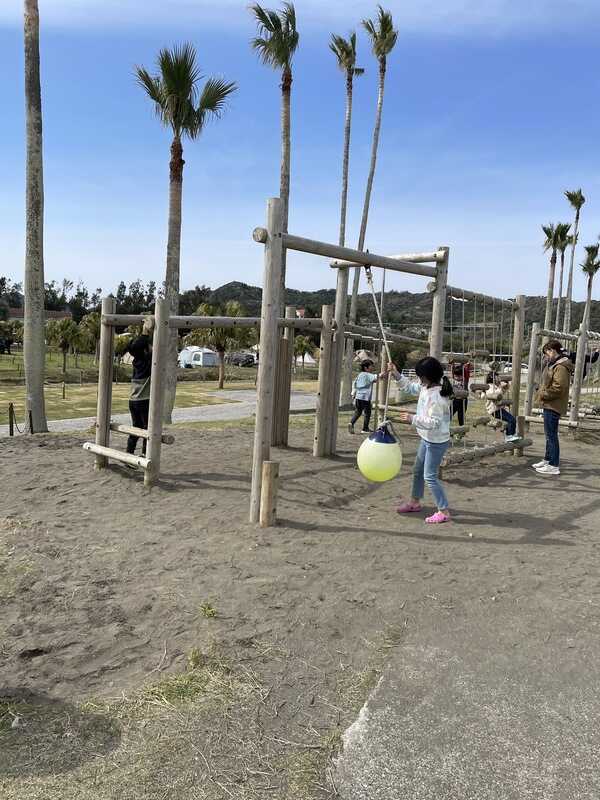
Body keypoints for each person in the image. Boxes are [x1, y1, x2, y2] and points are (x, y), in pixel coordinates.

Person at [389, 356, 453, 524]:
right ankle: (415, 502)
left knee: (429, 476)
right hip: (426, 438)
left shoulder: (438, 396)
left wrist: (413, 419)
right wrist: (396, 374)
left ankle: (443, 510)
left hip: (436, 441)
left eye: (420, 376)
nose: (418, 379)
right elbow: (409, 387)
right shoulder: (426, 387)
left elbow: (434, 423)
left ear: (427, 377)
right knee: (418, 471)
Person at [533, 339, 574, 476]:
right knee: (549, 435)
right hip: (550, 403)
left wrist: (543, 394)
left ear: (553, 351)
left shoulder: (561, 366)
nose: (546, 356)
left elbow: (559, 388)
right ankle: (547, 459)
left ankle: (554, 465)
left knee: (551, 436)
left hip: (553, 404)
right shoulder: (555, 364)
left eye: (547, 353)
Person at [125, 316, 154, 456]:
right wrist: (145, 332)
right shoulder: (148, 362)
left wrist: (145, 332)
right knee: (148, 429)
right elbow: (140, 345)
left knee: (136, 429)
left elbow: (137, 346)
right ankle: (144, 454)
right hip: (144, 400)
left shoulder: (137, 361)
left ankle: (129, 454)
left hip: (133, 400)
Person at [348, 359, 387, 434]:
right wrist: (385, 372)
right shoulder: (367, 374)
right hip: (365, 397)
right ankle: (365, 428)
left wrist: (353, 394)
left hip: (358, 397)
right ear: (366, 368)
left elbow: (374, 379)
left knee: (358, 412)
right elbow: (377, 376)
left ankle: (351, 423)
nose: (372, 367)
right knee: (367, 412)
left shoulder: (360, 375)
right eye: (371, 366)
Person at [482, 371, 519, 441]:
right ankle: (509, 436)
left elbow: (501, 393)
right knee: (511, 420)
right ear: (492, 378)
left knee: (511, 420)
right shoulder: (489, 386)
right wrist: (501, 388)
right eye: (497, 377)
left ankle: (511, 435)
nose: (499, 379)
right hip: (494, 410)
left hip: (499, 409)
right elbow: (494, 395)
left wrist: (505, 386)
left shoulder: (495, 386)